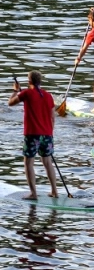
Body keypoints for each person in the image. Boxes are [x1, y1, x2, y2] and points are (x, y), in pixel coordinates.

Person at [8, 71, 58, 199]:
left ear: (29, 81)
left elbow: (10, 103)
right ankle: (54, 191)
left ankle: (33, 193)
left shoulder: (26, 93)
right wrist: (50, 135)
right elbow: (53, 118)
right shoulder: (48, 96)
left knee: (28, 163)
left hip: (32, 134)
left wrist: (15, 90)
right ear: (39, 81)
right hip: (47, 134)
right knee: (48, 162)